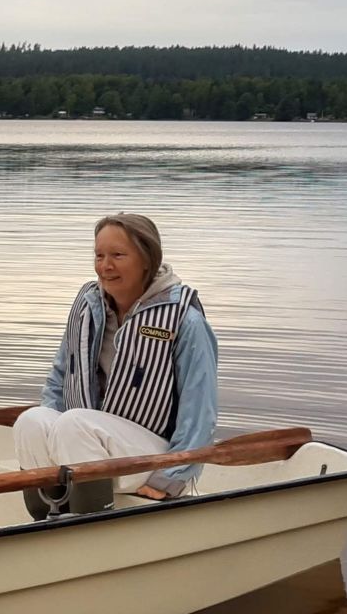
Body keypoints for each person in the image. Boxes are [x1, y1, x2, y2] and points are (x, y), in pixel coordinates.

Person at [14, 213, 218, 517]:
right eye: (99, 256)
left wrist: (170, 478)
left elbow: (199, 412)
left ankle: (93, 524)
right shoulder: (89, 307)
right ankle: (50, 516)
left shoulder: (186, 321)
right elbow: (60, 377)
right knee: (31, 421)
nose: (105, 266)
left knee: (74, 424)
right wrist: (50, 439)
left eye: (118, 255)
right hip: (89, 440)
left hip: (156, 456)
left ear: (147, 259)